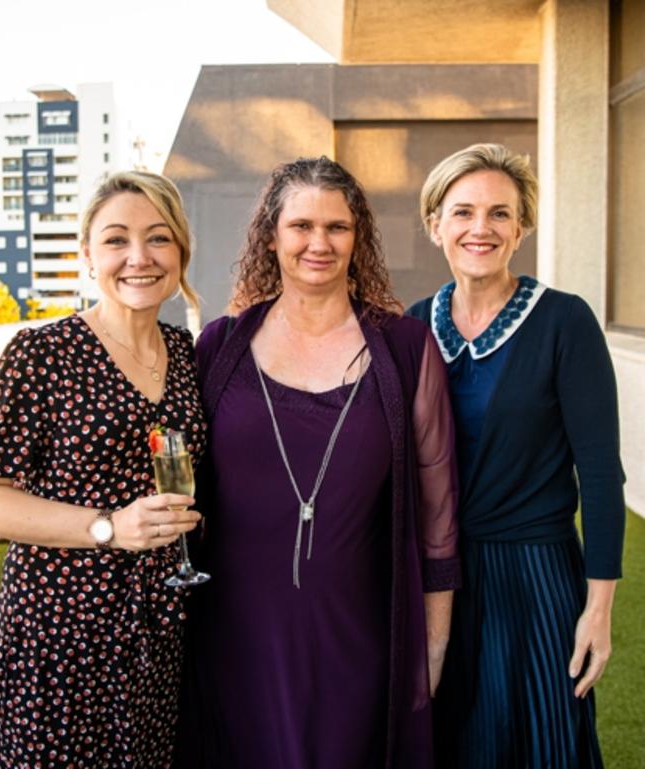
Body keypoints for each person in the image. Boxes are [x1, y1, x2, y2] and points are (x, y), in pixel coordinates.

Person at [178, 157, 460, 769]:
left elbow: (439, 509)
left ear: (358, 239)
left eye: (337, 227)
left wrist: (433, 640)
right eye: (301, 225)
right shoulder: (220, 347)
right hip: (236, 634)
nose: (319, 243)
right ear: (271, 236)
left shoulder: (406, 348)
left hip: (360, 635)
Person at [0, 171, 207, 769]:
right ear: (86, 257)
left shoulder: (188, 353)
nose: (138, 257)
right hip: (60, 626)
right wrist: (108, 528)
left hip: (158, 623)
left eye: (158, 239)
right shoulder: (41, 355)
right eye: (116, 240)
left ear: (180, 253)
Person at [408, 143, 625, 769]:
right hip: (441, 580)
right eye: (464, 212)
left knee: (542, 743)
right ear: (435, 225)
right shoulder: (415, 327)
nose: (482, 228)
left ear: (522, 226)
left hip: (535, 581)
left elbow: (603, 477)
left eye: (500, 213)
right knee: (451, 745)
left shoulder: (564, 322)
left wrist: (598, 611)